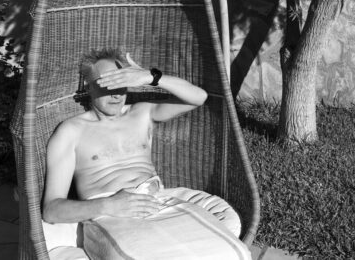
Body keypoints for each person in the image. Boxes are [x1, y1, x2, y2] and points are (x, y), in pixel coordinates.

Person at [42, 48, 250, 259]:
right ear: (88, 86)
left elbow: (198, 97)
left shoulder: (141, 112)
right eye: (107, 85)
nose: (116, 94)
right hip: (110, 213)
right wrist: (109, 205)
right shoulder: (71, 131)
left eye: (121, 84)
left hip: (157, 202)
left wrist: (150, 77)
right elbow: (51, 209)